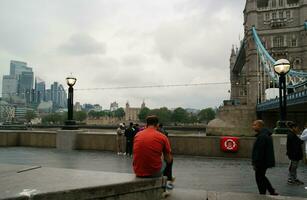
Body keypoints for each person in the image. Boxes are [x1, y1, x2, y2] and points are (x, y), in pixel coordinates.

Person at [251, 120, 278, 195]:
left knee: (259, 178)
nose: (253, 126)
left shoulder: (262, 136)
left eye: (254, 125)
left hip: (261, 162)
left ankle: (262, 194)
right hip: (264, 161)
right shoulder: (264, 135)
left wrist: (255, 163)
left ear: (259, 126)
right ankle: (271, 191)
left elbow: (259, 151)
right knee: (262, 176)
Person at [158, 123, 175, 189]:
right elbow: (167, 153)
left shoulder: (140, 134)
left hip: (138, 169)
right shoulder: (162, 134)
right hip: (152, 170)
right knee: (169, 160)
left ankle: (168, 178)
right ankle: (168, 180)